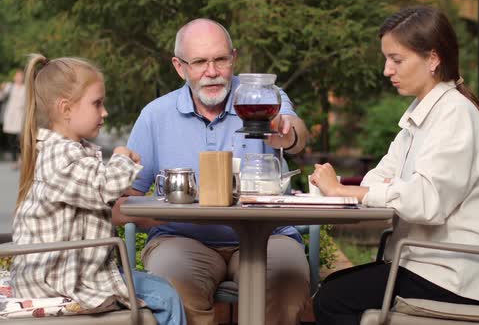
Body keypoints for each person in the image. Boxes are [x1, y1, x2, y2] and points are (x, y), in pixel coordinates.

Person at [310, 6, 479, 325]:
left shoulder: (455, 116)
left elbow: (426, 203)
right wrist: (348, 188)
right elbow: (380, 175)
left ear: (433, 59)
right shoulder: (421, 117)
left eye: (396, 59)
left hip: (459, 277)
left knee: (332, 299)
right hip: (429, 265)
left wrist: (345, 190)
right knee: (331, 291)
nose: (386, 70)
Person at [112, 19, 310, 325]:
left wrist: (288, 133)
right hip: (181, 239)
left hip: (269, 236)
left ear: (234, 58)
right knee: (174, 284)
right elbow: (122, 204)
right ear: (179, 67)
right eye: (200, 62)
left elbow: (295, 134)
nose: (212, 71)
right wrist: (178, 213)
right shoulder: (155, 116)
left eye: (221, 59)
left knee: (285, 280)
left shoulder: (259, 96)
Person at [10, 53, 187, 325]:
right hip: (64, 279)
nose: (104, 112)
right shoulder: (60, 156)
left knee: (158, 287)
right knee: (166, 295)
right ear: (65, 108)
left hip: (66, 272)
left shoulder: (64, 151)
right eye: (97, 103)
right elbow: (104, 188)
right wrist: (121, 157)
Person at [0, 69, 25, 169]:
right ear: (14, 77)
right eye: (17, 76)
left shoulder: (26, 88)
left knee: (20, 139)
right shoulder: (9, 87)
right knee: (11, 139)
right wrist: (1, 89)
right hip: (10, 116)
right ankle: (14, 160)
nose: (19, 78)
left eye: (21, 76)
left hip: (21, 116)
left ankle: (20, 159)